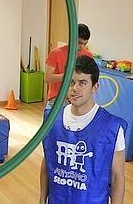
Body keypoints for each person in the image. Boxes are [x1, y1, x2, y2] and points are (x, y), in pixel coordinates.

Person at [40, 55, 126, 204]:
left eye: (82, 83)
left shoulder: (111, 127)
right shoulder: (52, 119)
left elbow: (117, 177)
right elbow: (47, 162)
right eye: (71, 82)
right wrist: (42, 199)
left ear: (95, 87)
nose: (75, 89)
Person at [45, 23, 93, 106]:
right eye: (79, 42)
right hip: (58, 97)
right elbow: (47, 78)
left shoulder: (88, 55)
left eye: (84, 44)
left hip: (79, 97)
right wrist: (69, 76)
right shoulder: (56, 53)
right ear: (72, 38)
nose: (82, 46)